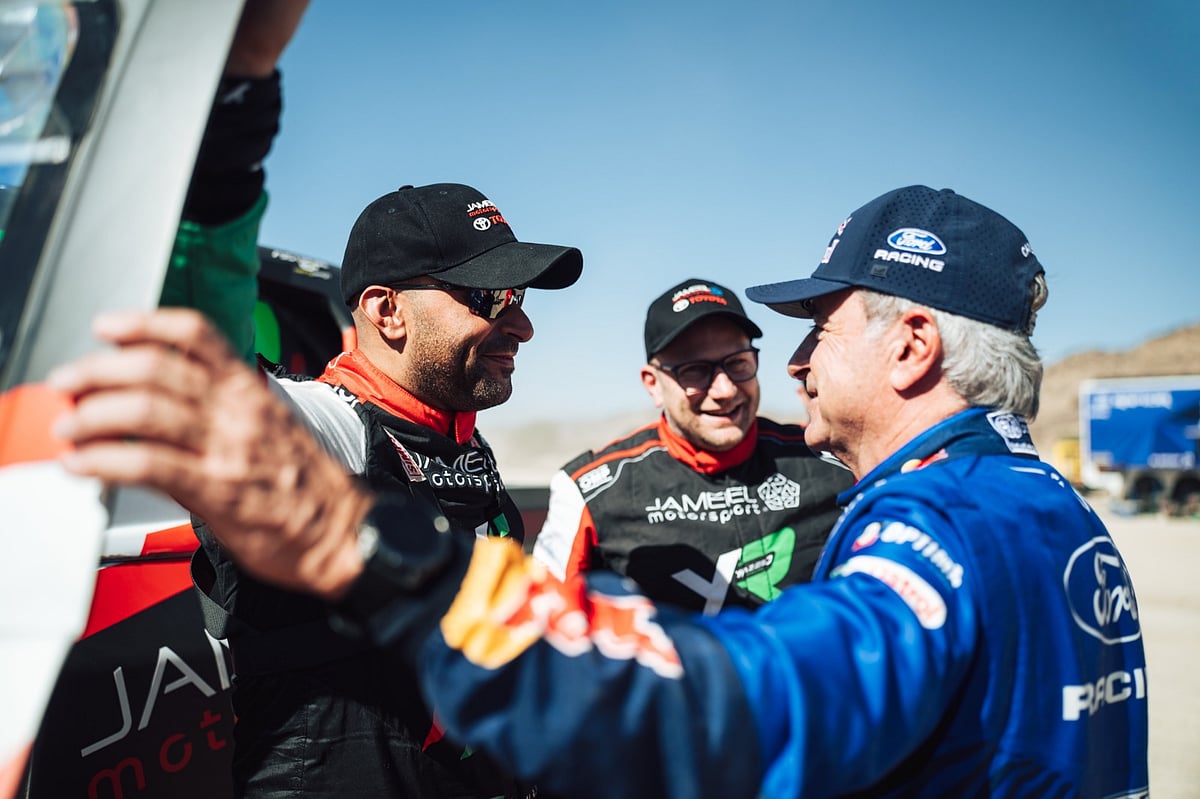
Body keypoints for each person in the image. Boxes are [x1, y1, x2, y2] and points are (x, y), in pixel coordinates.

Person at [53, 185, 1150, 798]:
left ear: (913, 344)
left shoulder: (940, 523)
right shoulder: (1040, 499)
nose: (794, 361)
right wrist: (232, 127)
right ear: (384, 312)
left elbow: (746, 706)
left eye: (818, 328)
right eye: (490, 300)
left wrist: (383, 556)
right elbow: (199, 376)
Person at [532, 278, 852, 613]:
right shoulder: (589, 493)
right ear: (653, 385)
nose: (725, 390)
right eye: (695, 371)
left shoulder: (831, 458)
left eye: (737, 363)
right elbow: (538, 620)